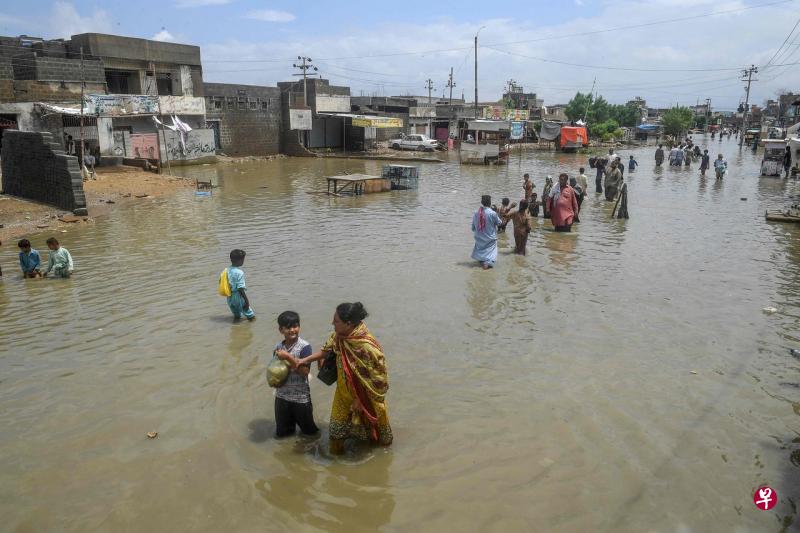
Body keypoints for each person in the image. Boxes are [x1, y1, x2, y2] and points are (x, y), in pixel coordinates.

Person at [297, 302, 392, 455]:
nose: (332, 323)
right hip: (343, 393)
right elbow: (325, 351)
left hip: (366, 397)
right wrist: (304, 360)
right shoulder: (339, 336)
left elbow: (379, 379)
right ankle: (336, 460)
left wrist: (360, 401)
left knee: (374, 438)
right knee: (336, 433)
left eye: (336, 321)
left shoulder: (366, 347)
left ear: (348, 324)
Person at [272, 311, 319, 438]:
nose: (292, 330)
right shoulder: (278, 347)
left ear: (299, 327)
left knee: (310, 434)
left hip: (301, 398)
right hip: (281, 397)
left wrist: (288, 357)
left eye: (295, 326)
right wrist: (274, 381)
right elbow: (276, 369)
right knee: (282, 434)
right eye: (288, 327)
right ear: (281, 330)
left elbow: (305, 372)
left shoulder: (305, 347)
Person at [471, 195, 502, 270]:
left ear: (482, 202)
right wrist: (497, 213)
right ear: (490, 203)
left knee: (481, 254)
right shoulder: (492, 213)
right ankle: (486, 266)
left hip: (479, 238)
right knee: (489, 258)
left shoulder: (476, 213)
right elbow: (499, 223)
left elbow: (473, 228)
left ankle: (482, 263)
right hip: (490, 239)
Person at [224, 249, 255, 320]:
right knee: (251, 316)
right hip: (238, 296)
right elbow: (240, 288)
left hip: (229, 297)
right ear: (240, 260)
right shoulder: (239, 272)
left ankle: (236, 325)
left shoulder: (225, 270)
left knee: (237, 316)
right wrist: (247, 301)